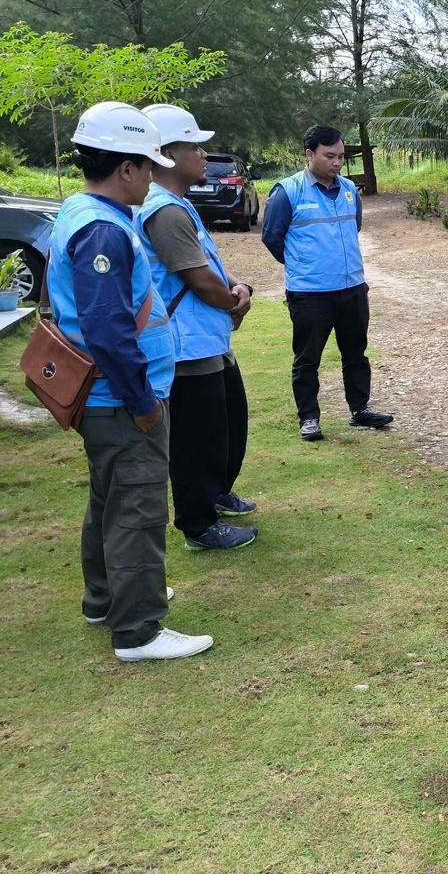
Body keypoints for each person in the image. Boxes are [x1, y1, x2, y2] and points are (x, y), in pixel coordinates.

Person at [47, 102, 212, 661]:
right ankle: (139, 629)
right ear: (125, 169)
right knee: (138, 508)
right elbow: (109, 330)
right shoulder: (102, 231)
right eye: (147, 164)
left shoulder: (79, 212)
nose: (151, 175)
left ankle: (106, 599)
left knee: (108, 500)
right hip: (118, 399)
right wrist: (142, 401)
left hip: (104, 397)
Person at [136, 104, 258, 553]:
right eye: (195, 147)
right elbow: (197, 277)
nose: (204, 155)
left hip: (207, 338)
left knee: (228, 421)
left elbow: (212, 266)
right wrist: (233, 302)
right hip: (185, 345)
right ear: (168, 154)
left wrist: (238, 287)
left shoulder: (180, 204)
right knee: (197, 436)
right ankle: (198, 523)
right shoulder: (163, 211)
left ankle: (216, 492)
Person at [261, 125, 393, 442]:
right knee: (308, 358)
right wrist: (304, 265)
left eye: (341, 157)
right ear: (310, 154)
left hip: (352, 289)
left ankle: (360, 409)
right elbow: (272, 238)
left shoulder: (349, 189)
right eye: (329, 156)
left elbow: (353, 229)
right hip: (310, 294)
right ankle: (309, 418)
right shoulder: (288, 191)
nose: (337, 163)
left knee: (356, 353)